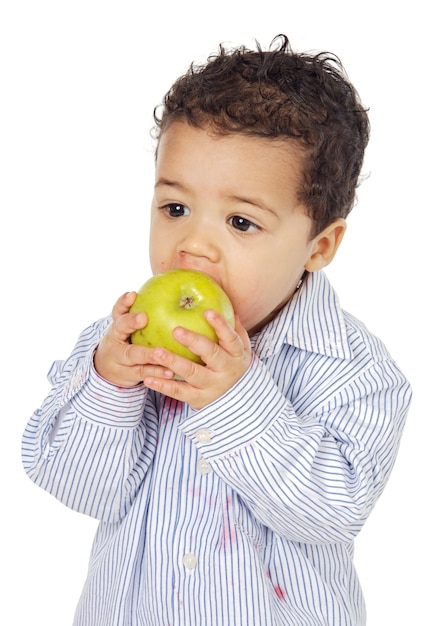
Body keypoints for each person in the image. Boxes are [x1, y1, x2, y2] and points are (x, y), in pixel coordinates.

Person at [22, 35, 412, 626]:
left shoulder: (357, 373)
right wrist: (109, 387)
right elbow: (77, 487)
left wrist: (236, 401)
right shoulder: (120, 343)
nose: (194, 246)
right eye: (175, 209)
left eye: (240, 221)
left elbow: (332, 511)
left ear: (320, 245)